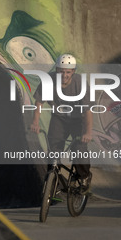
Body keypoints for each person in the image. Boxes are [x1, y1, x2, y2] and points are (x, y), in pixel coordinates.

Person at [30, 54, 93, 192]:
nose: (64, 75)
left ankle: (84, 176)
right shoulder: (48, 81)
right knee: (53, 150)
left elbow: (87, 111)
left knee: (79, 149)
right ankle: (52, 182)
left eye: (68, 72)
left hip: (77, 120)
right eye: (61, 71)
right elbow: (38, 103)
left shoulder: (80, 83)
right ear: (56, 69)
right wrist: (35, 122)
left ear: (73, 71)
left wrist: (87, 132)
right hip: (59, 118)